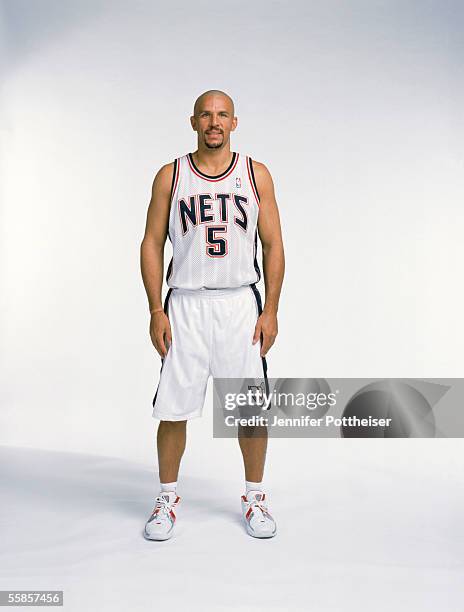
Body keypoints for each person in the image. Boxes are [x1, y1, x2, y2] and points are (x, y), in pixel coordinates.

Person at [140, 89, 285, 540]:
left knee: (249, 410)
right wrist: (155, 308)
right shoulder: (171, 175)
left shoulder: (255, 174)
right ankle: (166, 500)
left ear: (234, 123)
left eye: (222, 114)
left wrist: (272, 309)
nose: (214, 122)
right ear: (193, 122)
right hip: (185, 303)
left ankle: (255, 497)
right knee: (173, 408)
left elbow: (274, 245)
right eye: (206, 114)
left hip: (240, 302)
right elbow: (151, 242)